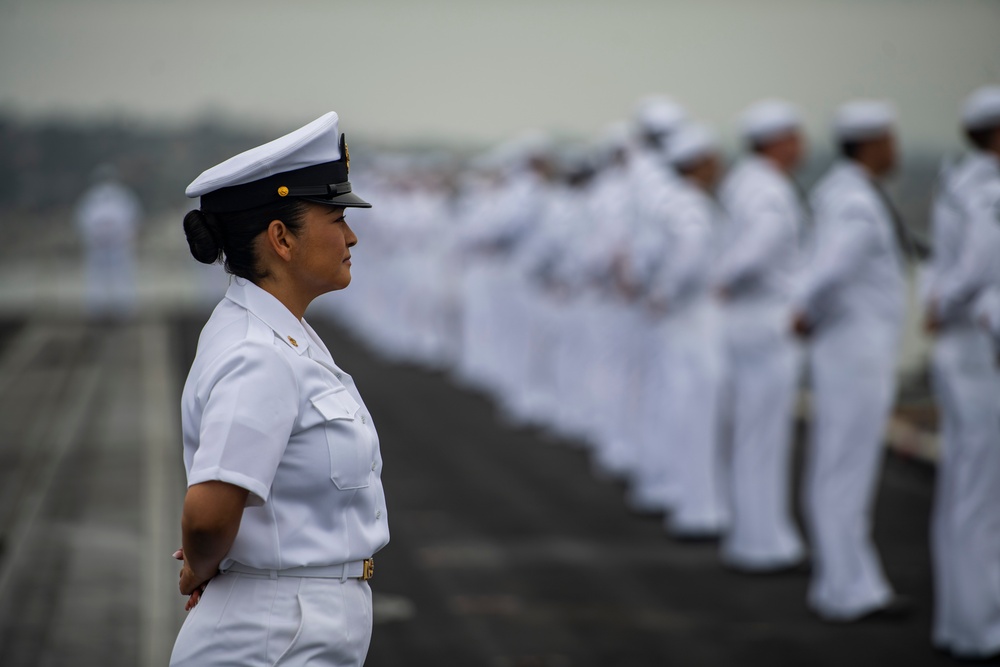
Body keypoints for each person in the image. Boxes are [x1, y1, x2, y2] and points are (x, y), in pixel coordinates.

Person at [169, 111, 389, 667]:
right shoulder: (257, 354)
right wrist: (201, 563)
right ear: (281, 238)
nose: (351, 235)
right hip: (270, 635)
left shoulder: (281, 335)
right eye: (336, 218)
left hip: (292, 624)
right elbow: (207, 514)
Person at [792, 100, 909, 622]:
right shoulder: (856, 201)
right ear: (872, 144)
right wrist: (805, 311)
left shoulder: (842, 192)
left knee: (838, 467)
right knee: (846, 469)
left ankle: (842, 582)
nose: (896, 150)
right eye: (889, 139)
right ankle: (848, 588)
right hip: (854, 349)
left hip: (849, 347)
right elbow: (831, 269)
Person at [923, 85, 1000, 659]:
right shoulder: (990, 191)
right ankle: (982, 628)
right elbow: (979, 263)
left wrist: (939, 301)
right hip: (980, 352)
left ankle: (959, 621)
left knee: (963, 497)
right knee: (982, 498)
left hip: (963, 352)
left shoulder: (960, 181)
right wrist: (945, 303)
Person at [715, 100, 806, 572]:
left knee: (750, 435)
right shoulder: (769, 187)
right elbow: (759, 247)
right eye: (795, 136)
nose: (802, 146)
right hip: (765, 319)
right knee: (763, 437)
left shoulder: (740, 180)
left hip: (744, 320)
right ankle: (762, 542)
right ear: (778, 141)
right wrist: (726, 278)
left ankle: (755, 535)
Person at [646, 122, 728, 538]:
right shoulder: (690, 205)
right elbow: (691, 257)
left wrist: (659, 290)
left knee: (682, 409)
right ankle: (697, 508)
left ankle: (690, 500)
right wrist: (667, 291)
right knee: (694, 414)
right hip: (694, 320)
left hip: (683, 320)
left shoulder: (673, 201)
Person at [73, 163, 142, 320]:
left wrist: (123, 236)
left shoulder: (123, 196)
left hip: (118, 244)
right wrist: (94, 237)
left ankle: (122, 308)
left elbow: (133, 219)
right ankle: (98, 309)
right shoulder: (91, 197)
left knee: (120, 275)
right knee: (98, 275)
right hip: (99, 244)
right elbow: (83, 221)